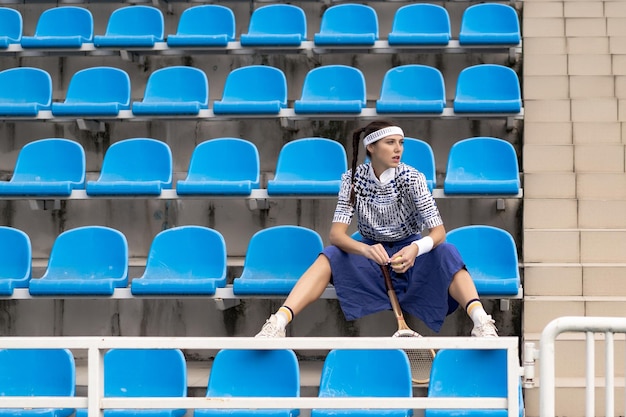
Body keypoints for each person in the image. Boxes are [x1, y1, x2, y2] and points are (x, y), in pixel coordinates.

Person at [255, 120, 498, 338]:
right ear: (371, 147)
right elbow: (336, 235)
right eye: (390, 143)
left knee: (448, 252)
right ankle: (278, 323)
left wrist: (415, 249)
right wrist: (365, 250)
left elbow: (438, 233)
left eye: (401, 143)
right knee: (329, 255)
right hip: (370, 253)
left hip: (411, 253)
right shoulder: (352, 179)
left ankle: (481, 322)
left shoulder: (414, 178)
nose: (398, 149)